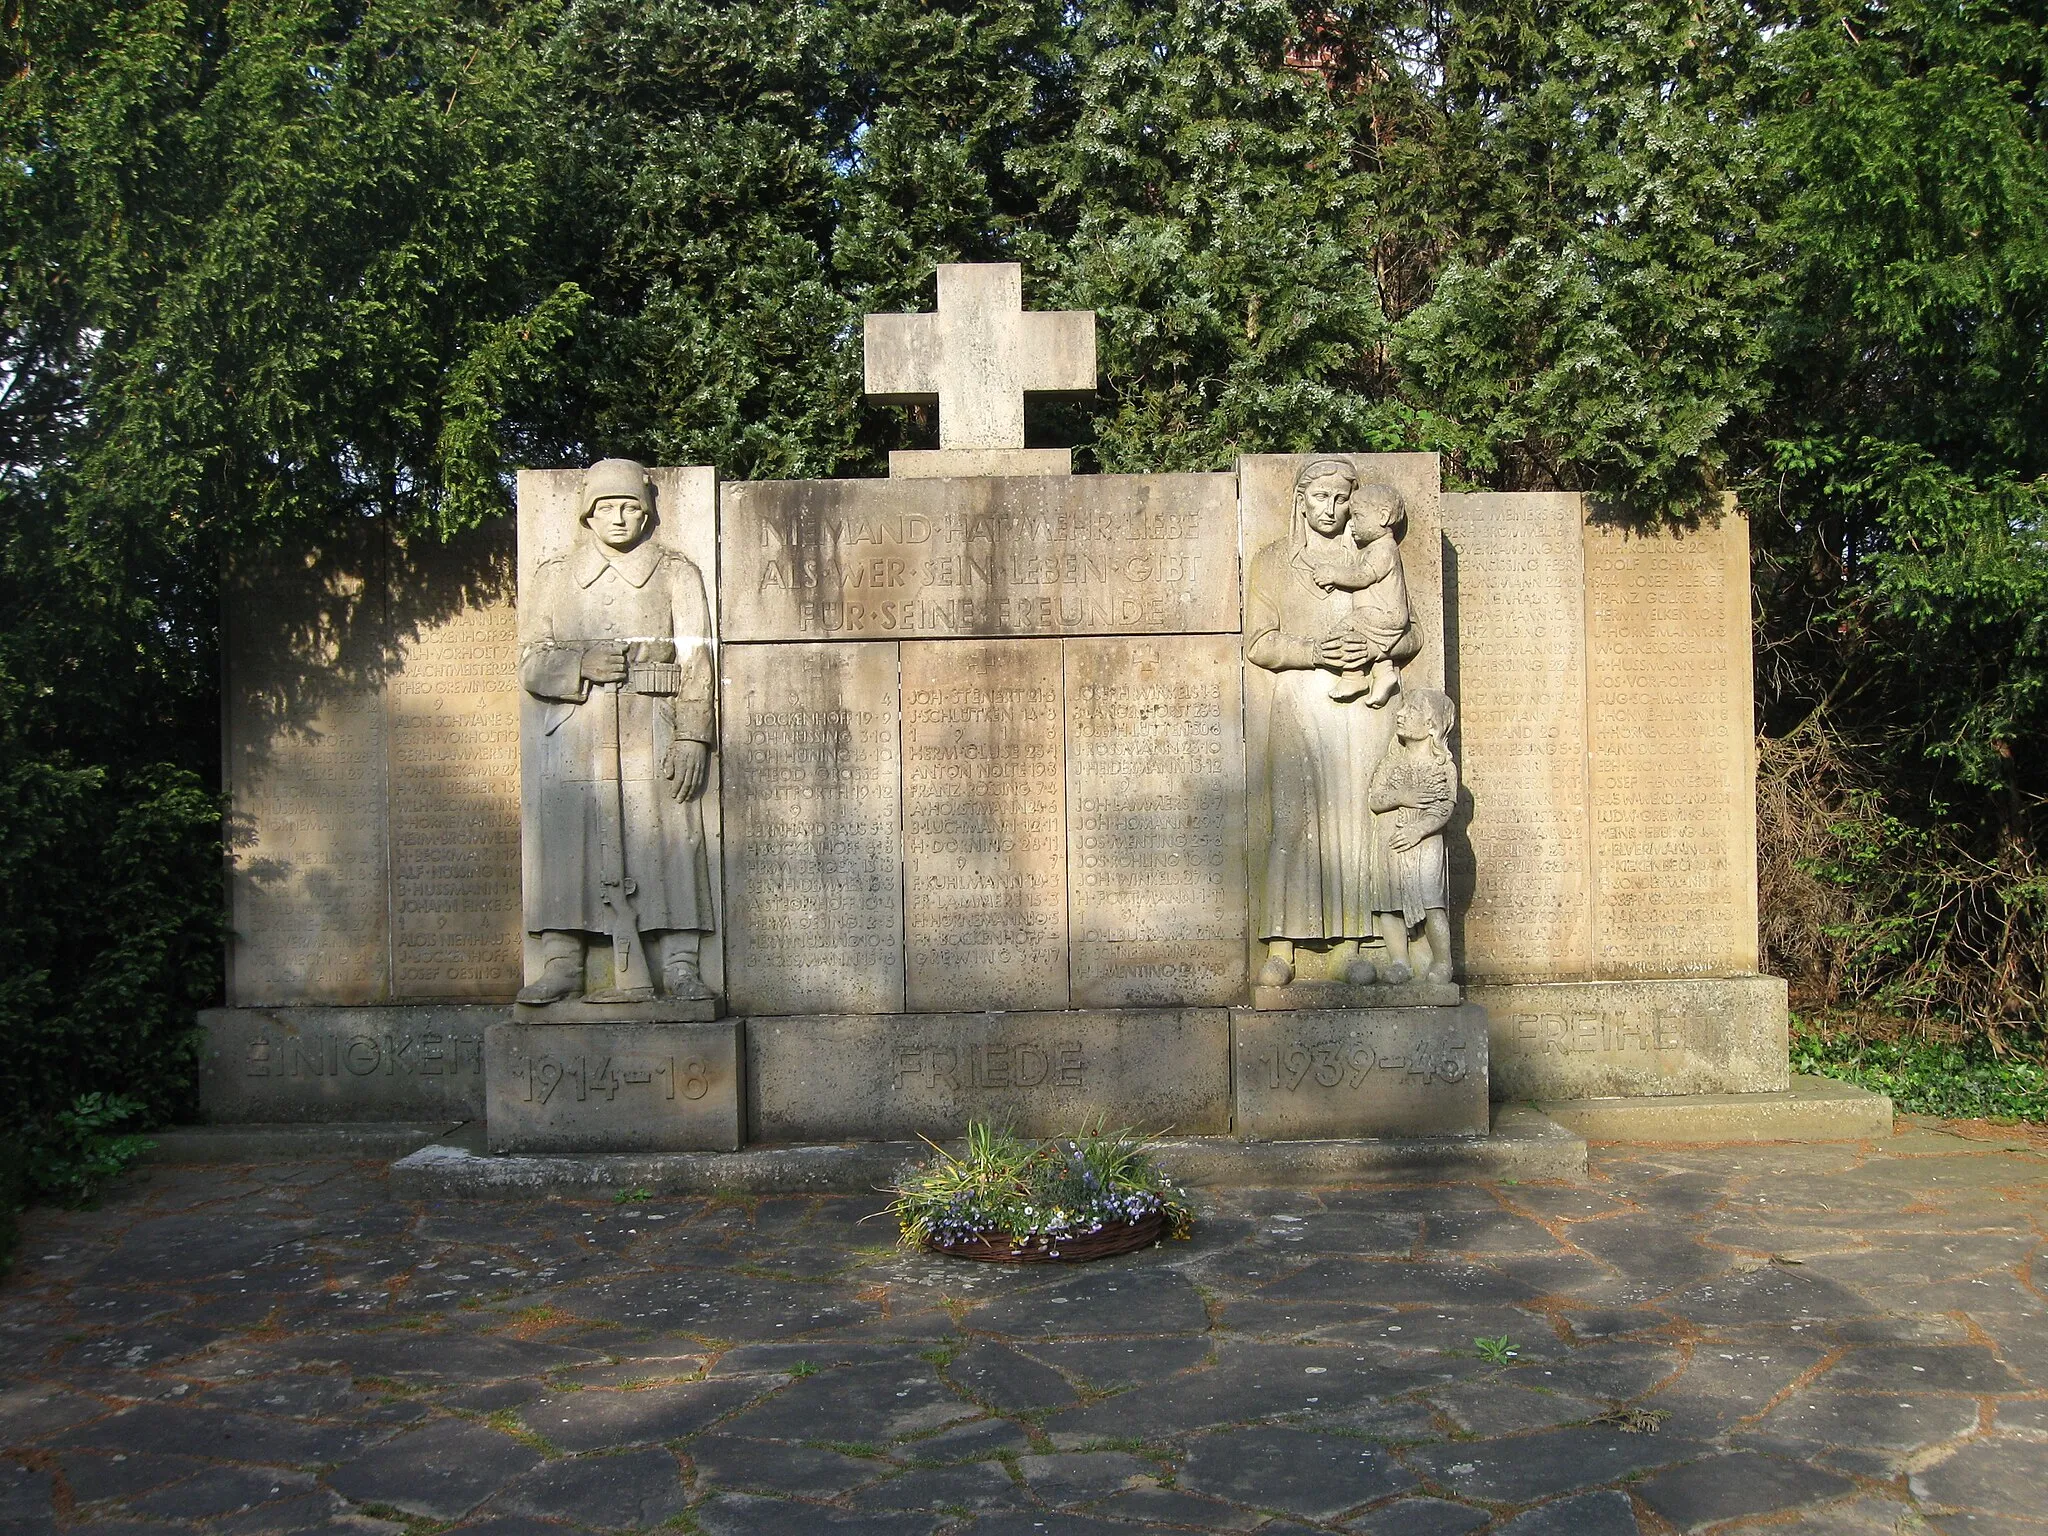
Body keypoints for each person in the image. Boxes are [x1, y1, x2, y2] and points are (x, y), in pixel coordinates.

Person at [517, 459, 718, 1005]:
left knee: (671, 839)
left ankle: (679, 964)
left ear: (648, 512)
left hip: (653, 723)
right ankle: (562, 960)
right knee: (568, 843)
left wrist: (693, 735)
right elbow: (531, 660)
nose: (620, 518)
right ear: (588, 513)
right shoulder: (555, 576)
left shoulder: (676, 572)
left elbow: (698, 659)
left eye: (631, 507)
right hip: (575, 732)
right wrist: (579, 665)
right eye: (607, 507)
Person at [1248, 458, 1403, 988]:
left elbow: (1412, 633)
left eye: (1341, 500)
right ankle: (1282, 945)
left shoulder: (1374, 555)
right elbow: (1259, 643)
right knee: (1292, 819)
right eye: (1320, 499)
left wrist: (1374, 645)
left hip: (1359, 708)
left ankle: (1348, 943)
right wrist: (1315, 651)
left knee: (1351, 826)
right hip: (1298, 698)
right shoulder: (1273, 561)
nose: (1331, 511)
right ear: (1302, 501)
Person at [1367, 688, 1458, 985]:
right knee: (1388, 902)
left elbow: (1445, 806)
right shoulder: (1392, 761)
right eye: (1402, 709)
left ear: (1432, 726)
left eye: (1412, 711)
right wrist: (1402, 796)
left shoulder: (1443, 765)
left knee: (1432, 902)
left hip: (1425, 841)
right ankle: (1399, 962)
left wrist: (1419, 830)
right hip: (1390, 839)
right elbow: (1375, 799)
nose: (1400, 714)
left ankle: (1443, 961)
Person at [1305, 481, 1415, 706]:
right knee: (1364, 635)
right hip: (1384, 616)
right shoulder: (1377, 548)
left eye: (1358, 517)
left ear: (1383, 517)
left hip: (1382, 615)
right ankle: (1384, 673)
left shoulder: (1382, 549)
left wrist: (1334, 575)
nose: (1351, 523)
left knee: (1344, 630)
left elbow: (1363, 576)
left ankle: (1353, 677)